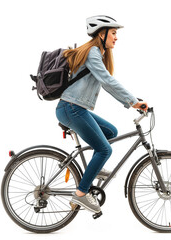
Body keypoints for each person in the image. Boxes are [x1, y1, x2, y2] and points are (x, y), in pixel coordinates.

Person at [55, 15, 148, 213]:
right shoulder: (92, 52)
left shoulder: (97, 53)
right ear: (102, 33)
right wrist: (133, 102)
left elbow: (107, 84)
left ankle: (92, 170)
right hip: (71, 108)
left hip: (73, 108)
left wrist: (131, 100)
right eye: (113, 33)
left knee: (111, 132)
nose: (116, 37)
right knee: (105, 150)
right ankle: (81, 194)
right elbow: (107, 81)